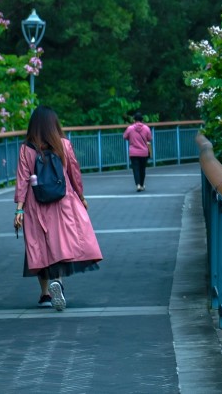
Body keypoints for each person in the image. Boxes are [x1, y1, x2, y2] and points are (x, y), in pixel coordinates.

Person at [13, 106, 103, 311]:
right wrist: (81, 196)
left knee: (39, 247)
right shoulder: (64, 145)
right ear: (54, 124)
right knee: (60, 244)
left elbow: (22, 180)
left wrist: (19, 209)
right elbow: (74, 174)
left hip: (35, 204)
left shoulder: (26, 148)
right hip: (62, 202)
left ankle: (45, 294)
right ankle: (58, 283)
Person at [124, 112, 153, 192]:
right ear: (142, 120)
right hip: (144, 152)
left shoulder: (130, 128)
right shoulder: (146, 128)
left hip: (133, 152)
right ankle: (142, 184)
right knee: (142, 169)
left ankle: (138, 185)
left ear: (134, 120)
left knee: (135, 169)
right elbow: (149, 138)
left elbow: (125, 136)